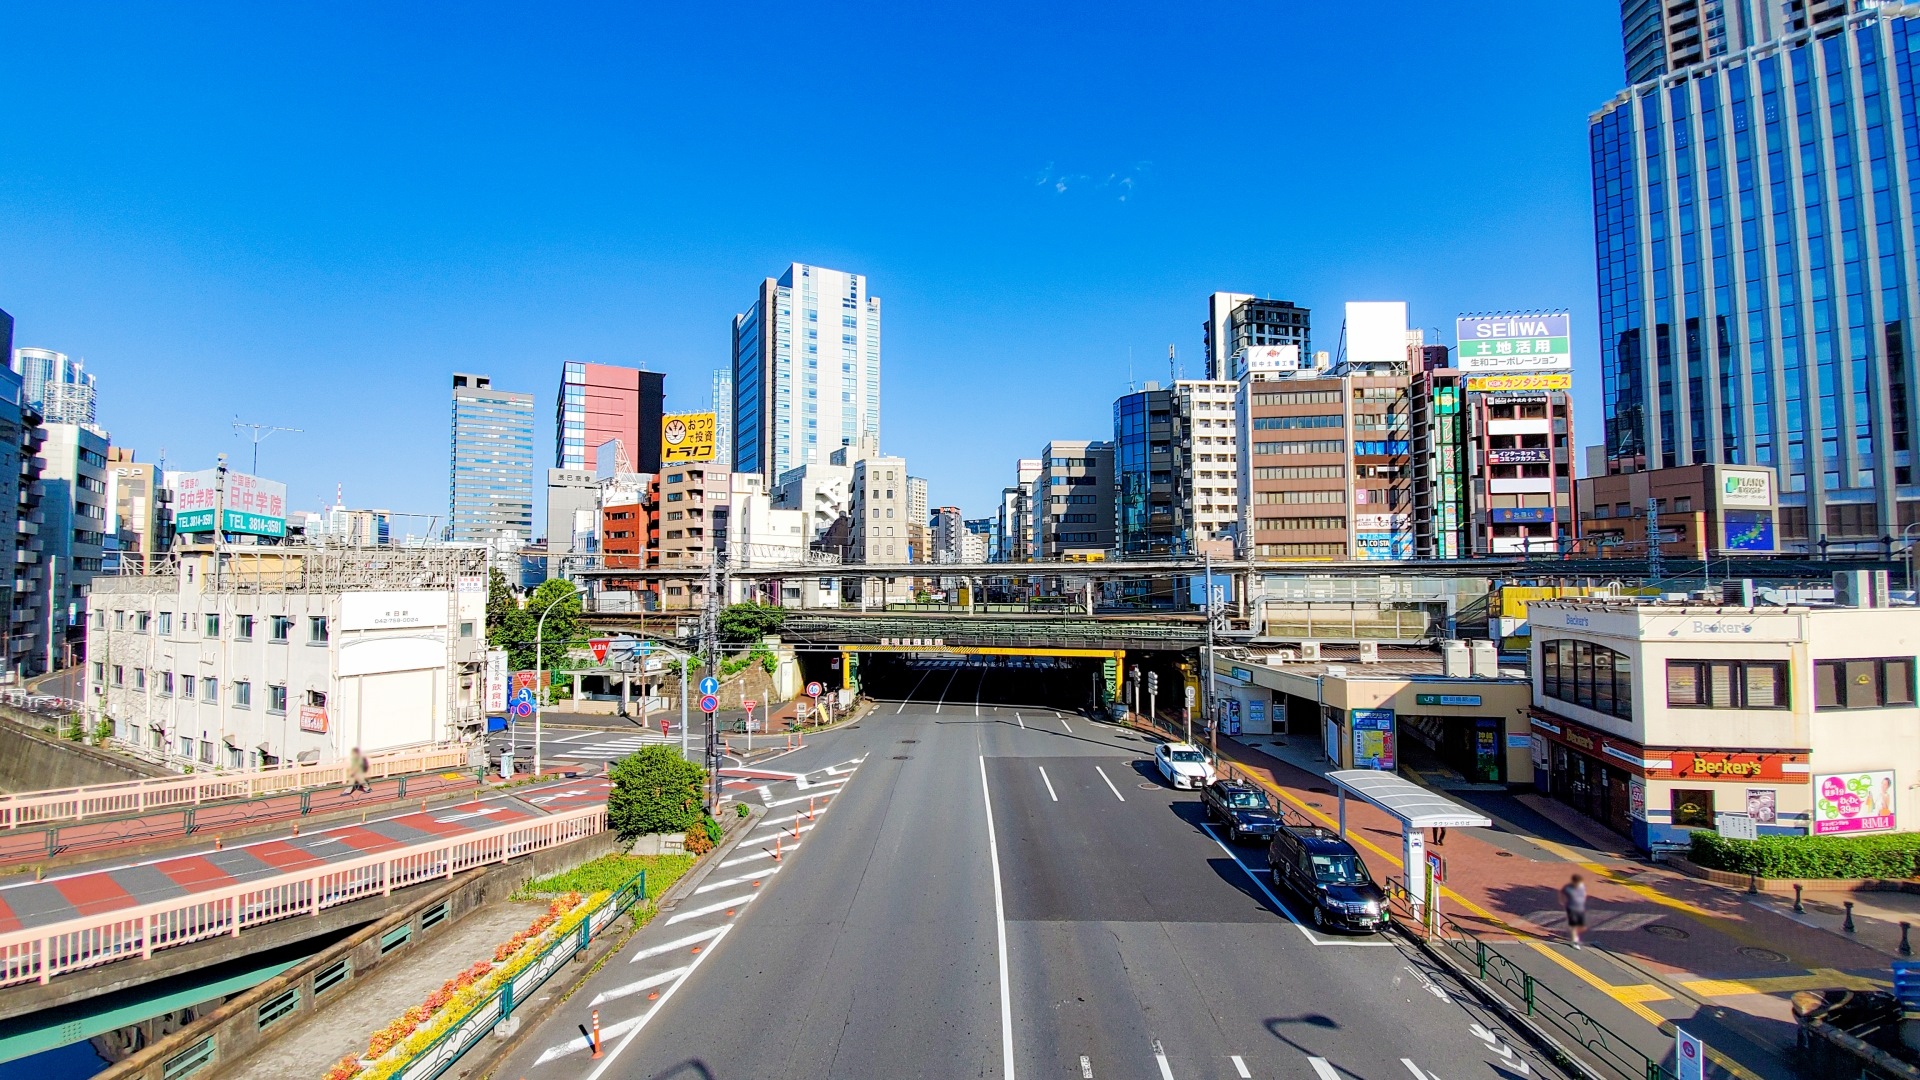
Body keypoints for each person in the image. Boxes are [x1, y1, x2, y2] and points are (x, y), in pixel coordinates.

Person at [1561, 873, 1588, 949]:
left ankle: (1575, 937)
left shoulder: (1581, 886)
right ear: (1574, 882)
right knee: (1573, 925)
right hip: (1571, 908)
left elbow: (1584, 894)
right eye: (1578, 882)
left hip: (1580, 908)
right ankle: (1574, 942)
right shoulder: (1568, 888)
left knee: (1580, 926)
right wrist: (1563, 903)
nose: (1579, 884)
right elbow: (1562, 895)